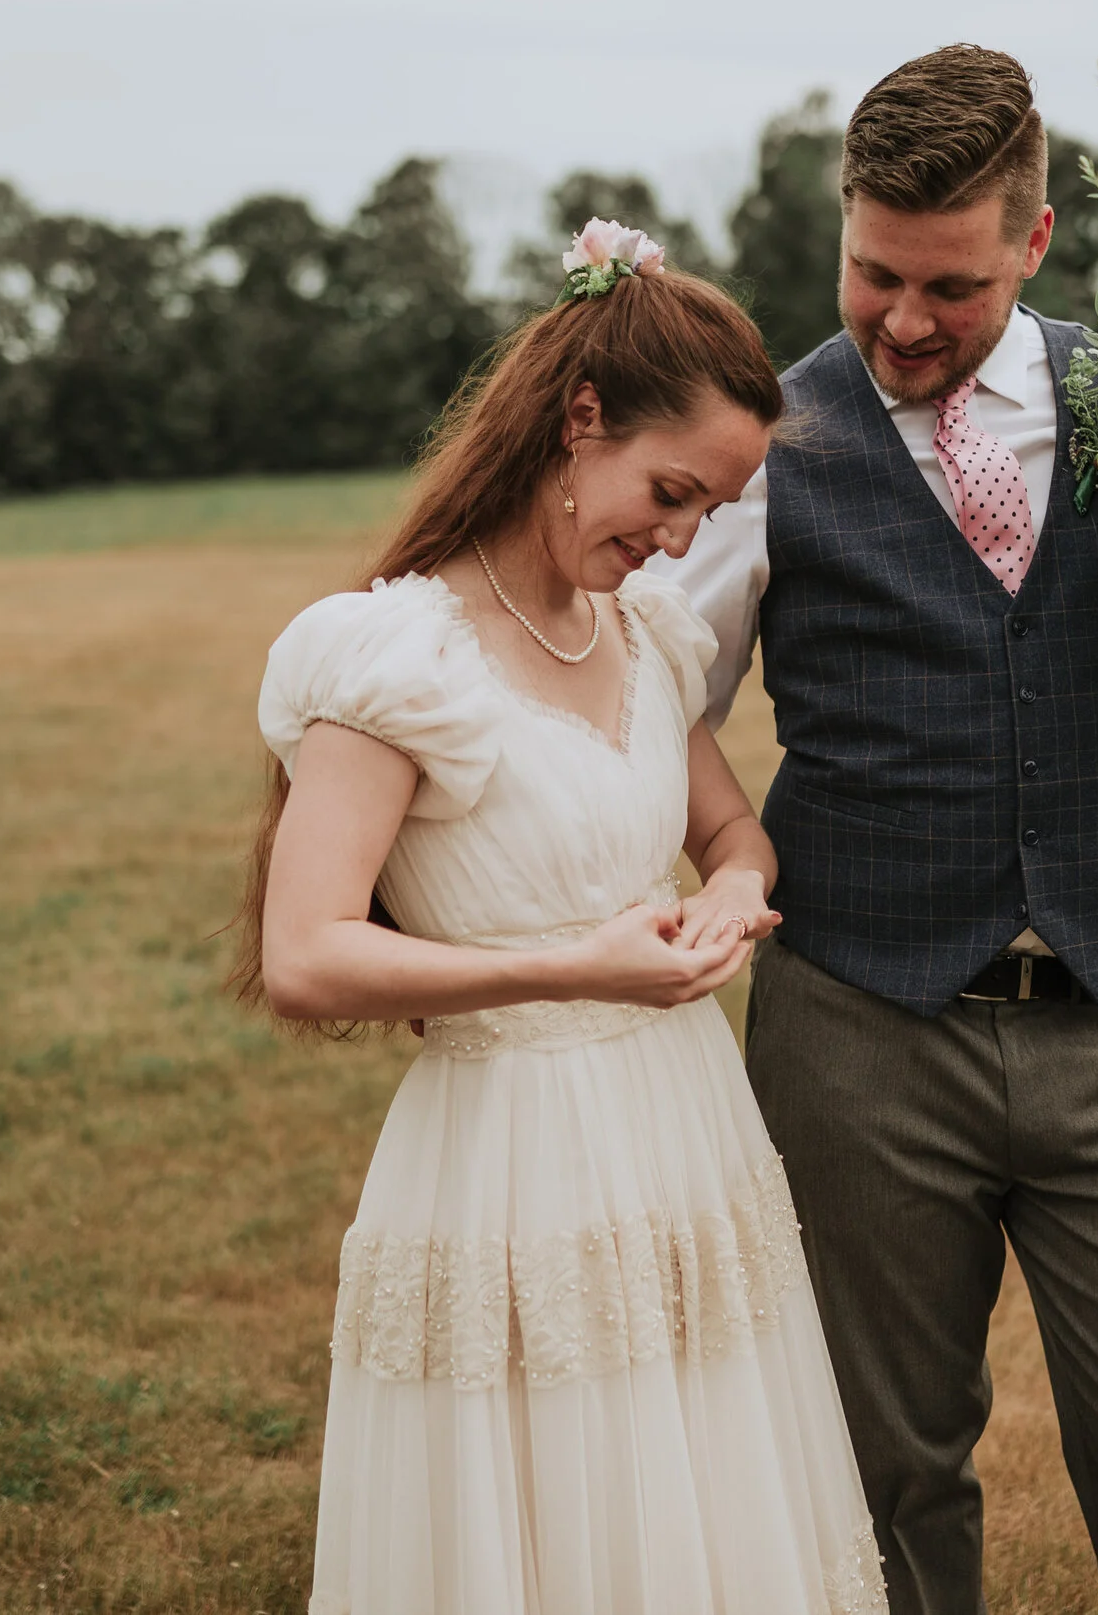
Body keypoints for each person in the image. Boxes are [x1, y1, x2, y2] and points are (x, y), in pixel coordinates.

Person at [661, 46, 1098, 1615]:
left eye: (952, 286)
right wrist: (728, 856)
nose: (905, 320)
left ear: (1036, 245)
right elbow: (661, 705)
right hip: (859, 1035)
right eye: (873, 274)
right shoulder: (767, 446)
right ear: (841, 229)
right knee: (879, 1465)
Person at [232, 228, 885, 1615]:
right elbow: (305, 956)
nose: (681, 538)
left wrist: (729, 891)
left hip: (684, 1126)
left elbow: (729, 826)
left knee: (701, 1501)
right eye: (670, 490)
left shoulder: (642, 631)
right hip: (514, 1153)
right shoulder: (395, 658)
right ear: (579, 420)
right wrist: (571, 963)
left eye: (710, 510)